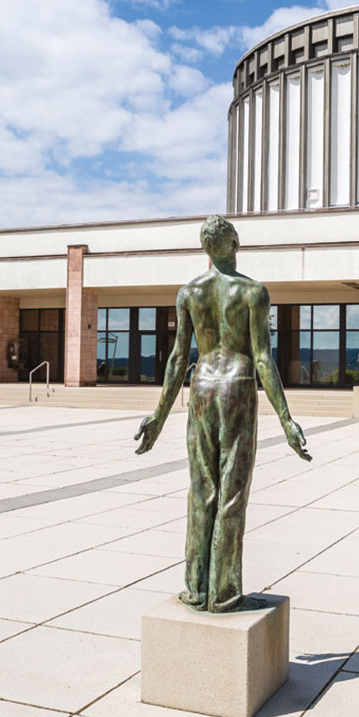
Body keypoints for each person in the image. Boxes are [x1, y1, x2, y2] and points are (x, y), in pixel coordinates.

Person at [134, 215, 311, 613]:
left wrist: (158, 417)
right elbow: (263, 358)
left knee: (201, 491)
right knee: (231, 492)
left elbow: (180, 357)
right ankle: (225, 592)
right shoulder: (252, 292)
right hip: (236, 386)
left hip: (202, 387)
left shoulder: (189, 293)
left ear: (205, 248)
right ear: (235, 244)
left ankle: (196, 588)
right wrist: (286, 420)